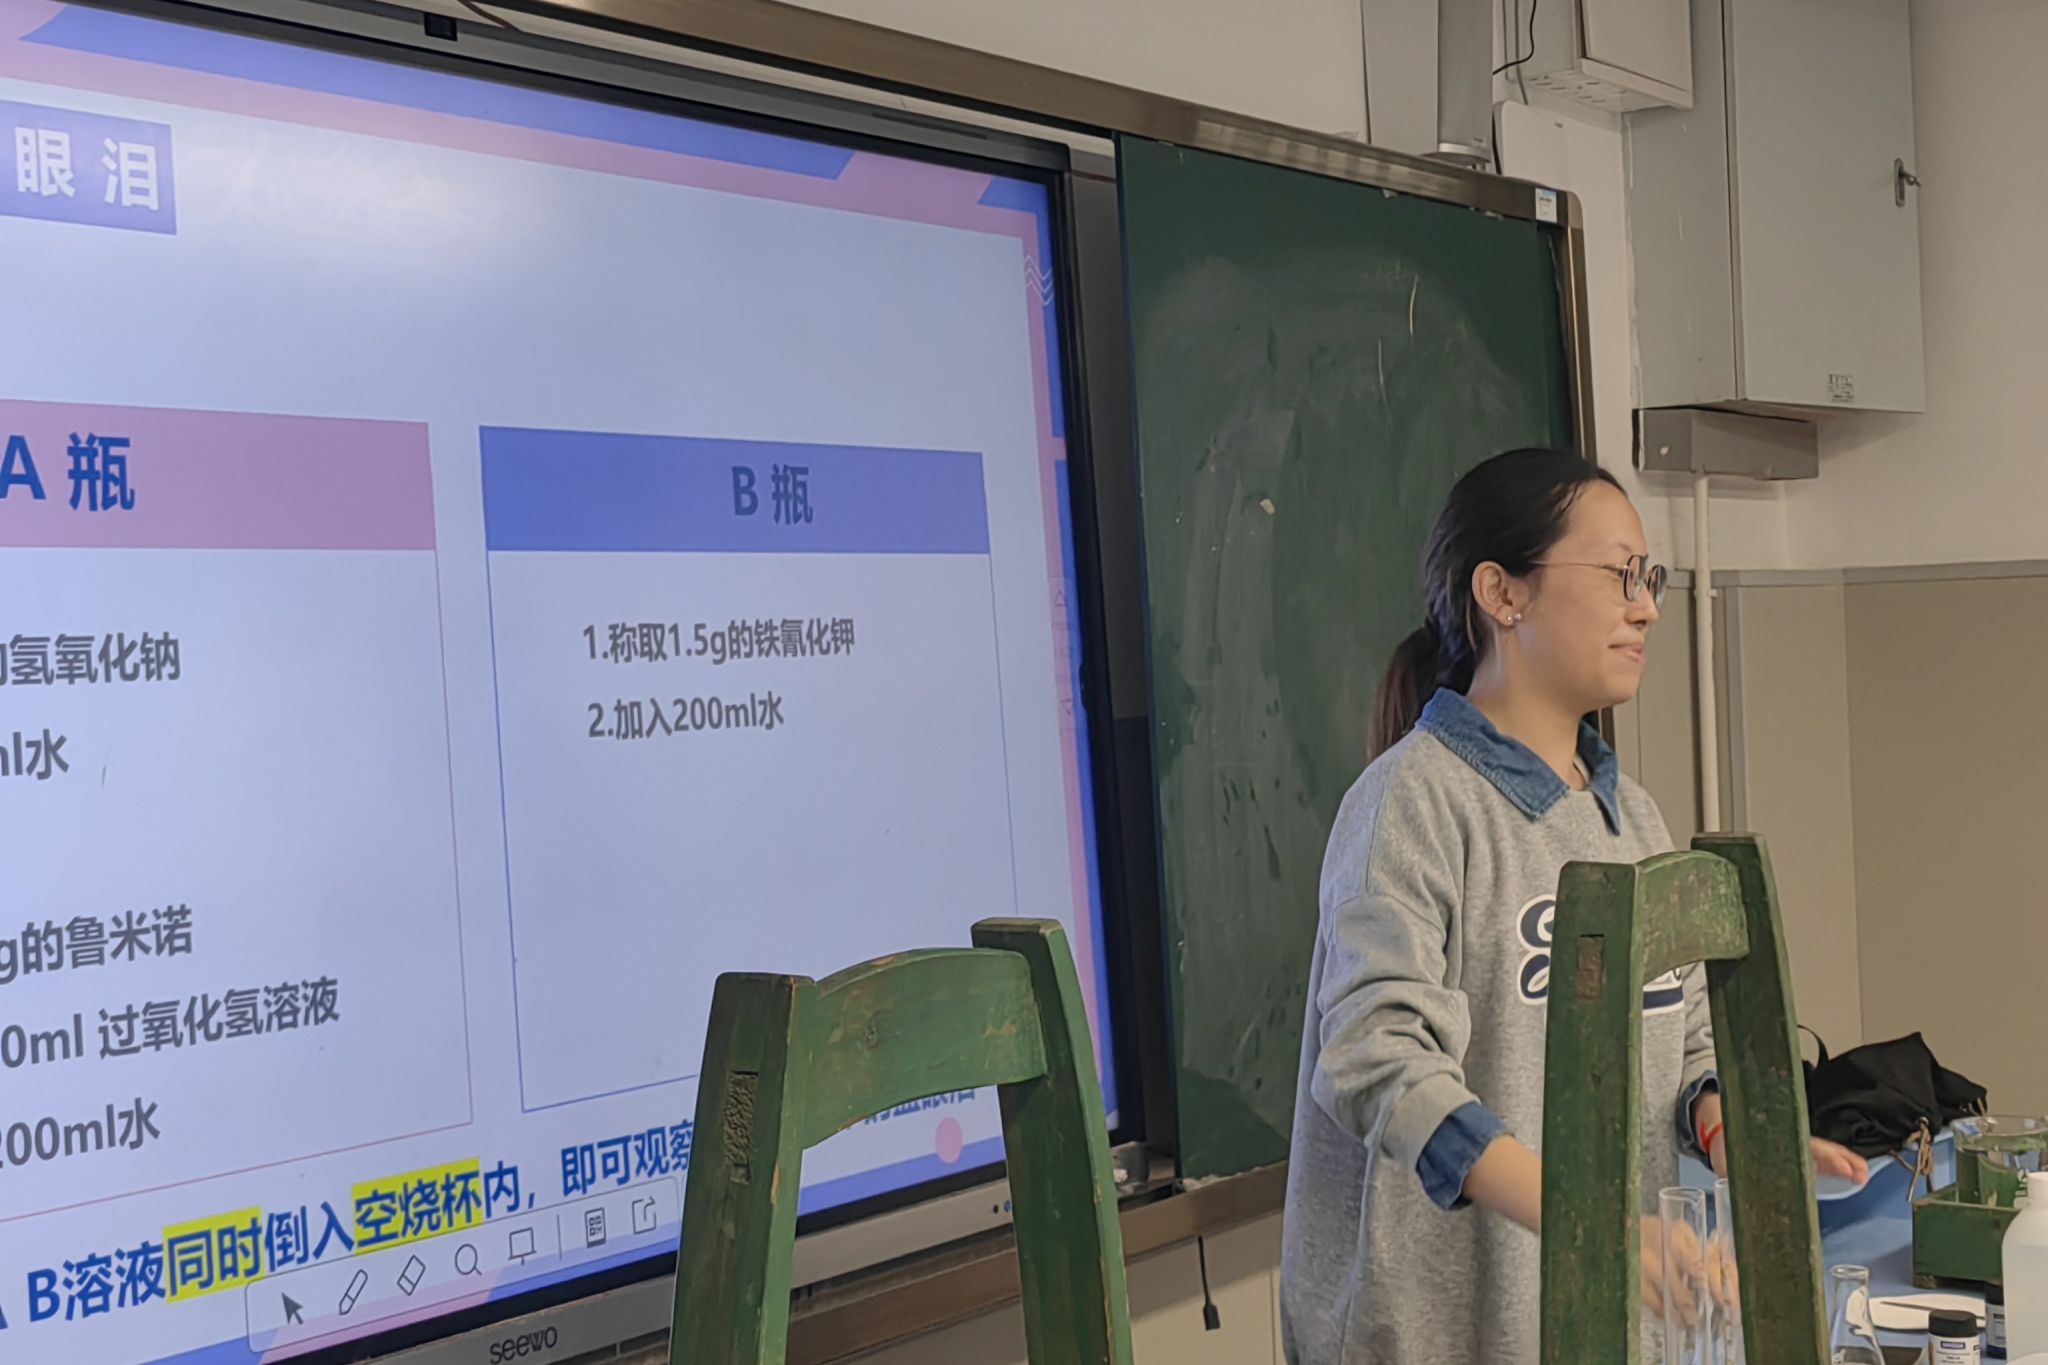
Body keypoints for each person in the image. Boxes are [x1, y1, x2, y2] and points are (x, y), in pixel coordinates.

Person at [1279, 448, 1866, 1364]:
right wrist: (1589, 1223)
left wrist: (1730, 1134)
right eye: (1619, 574)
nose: (1648, 607)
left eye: (1649, 578)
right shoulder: (1411, 802)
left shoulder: (1633, 817)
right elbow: (1376, 1058)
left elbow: (1685, 1040)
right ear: (1502, 594)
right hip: (1445, 1340)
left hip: (1597, 1331)